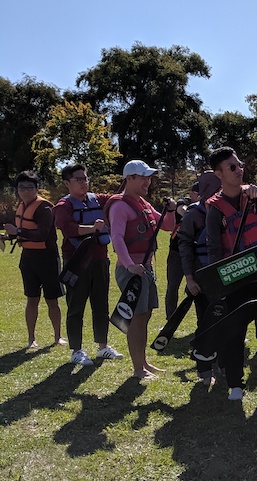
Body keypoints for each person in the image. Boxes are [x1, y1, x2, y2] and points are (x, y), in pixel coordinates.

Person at [205, 147, 257, 401]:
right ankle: (235, 383)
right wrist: (218, 284)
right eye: (232, 167)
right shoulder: (215, 209)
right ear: (218, 173)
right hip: (236, 277)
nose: (239, 169)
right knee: (235, 331)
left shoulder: (254, 195)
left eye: (240, 164)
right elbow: (214, 249)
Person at [105, 160, 176, 379]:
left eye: (149, 177)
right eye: (142, 177)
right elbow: (116, 238)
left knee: (144, 315)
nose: (148, 181)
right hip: (131, 270)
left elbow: (168, 226)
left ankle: (143, 362)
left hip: (145, 268)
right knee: (136, 318)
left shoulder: (142, 203)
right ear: (129, 179)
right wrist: (129, 265)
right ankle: (138, 369)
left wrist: (171, 210)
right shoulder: (119, 206)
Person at [53, 164, 123, 366]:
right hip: (76, 262)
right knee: (76, 306)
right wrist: (92, 228)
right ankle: (76, 350)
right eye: (79, 180)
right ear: (67, 183)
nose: (84, 183)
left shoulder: (97, 199)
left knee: (101, 304)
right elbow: (67, 228)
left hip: (100, 259)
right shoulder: (63, 206)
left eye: (85, 178)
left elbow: (116, 198)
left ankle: (102, 347)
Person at [4, 171, 65, 349]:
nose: (25, 191)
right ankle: (31, 339)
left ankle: (57, 336)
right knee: (32, 299)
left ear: (37, 188)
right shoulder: (21, 206)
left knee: (52, 300)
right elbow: (24, 234)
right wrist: (8, 237)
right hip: (28, 259)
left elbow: (41, 235)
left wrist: (18, 232)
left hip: (47, 259)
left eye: (29, 187)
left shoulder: (44, 208)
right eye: (21, 187)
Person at [177, 170, 221, 386]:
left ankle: (224, 363)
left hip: (226, 277)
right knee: (205, 321)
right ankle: (205, 369)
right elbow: (184, 246)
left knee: (226, 320)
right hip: (202, 278)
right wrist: (189, 278)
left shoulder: (230, 207)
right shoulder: (194, 214)